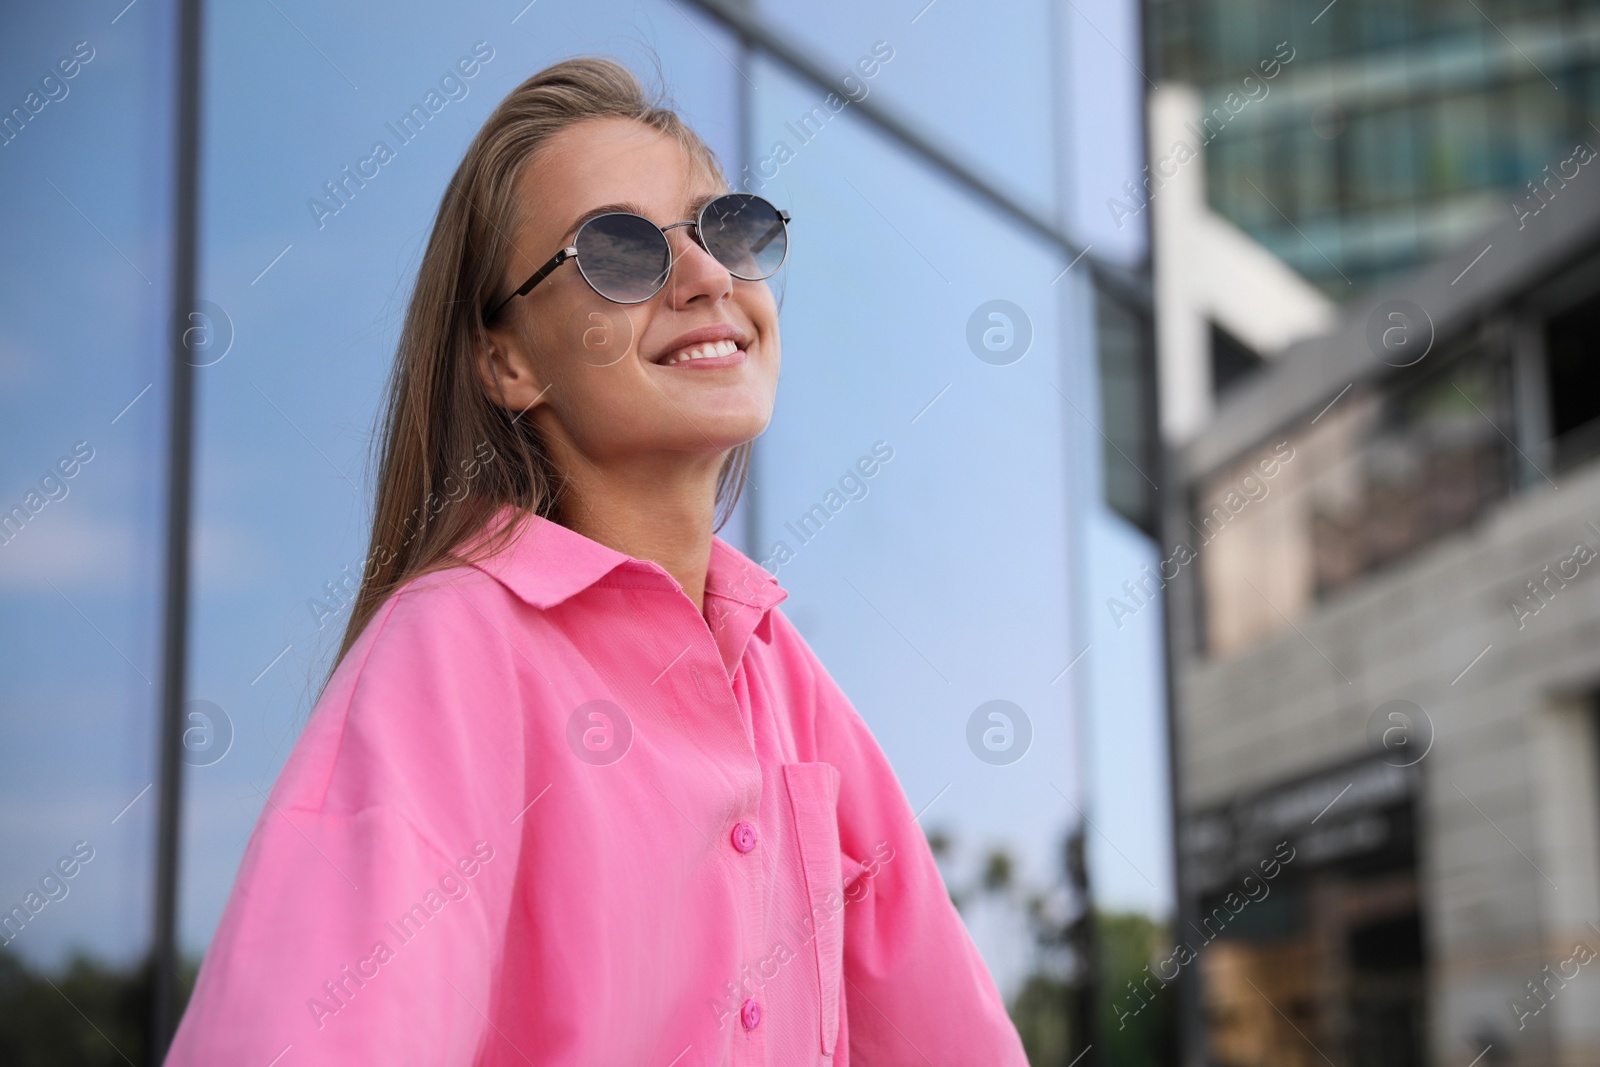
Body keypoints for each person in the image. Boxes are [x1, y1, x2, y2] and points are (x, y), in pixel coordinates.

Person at [165, 56, 1026, 1066]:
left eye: (728, 228)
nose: (708, 275)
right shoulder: (451, 651)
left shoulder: (787, 680)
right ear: (508, 361)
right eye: (620, 252)